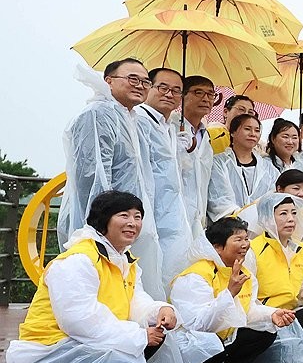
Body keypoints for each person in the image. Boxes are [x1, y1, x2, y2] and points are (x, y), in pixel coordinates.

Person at [9, 191, 189, 363]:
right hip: (50, 350)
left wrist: (160, 311)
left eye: (137, 216)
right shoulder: (78, 260)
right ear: (103, 219)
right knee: (131, 362)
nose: (132, 223)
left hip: (79, 345)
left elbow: (135, 300)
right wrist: (138, 336)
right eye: (123, 215)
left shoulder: (123, 259)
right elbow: (79, 320)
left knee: (157, 341)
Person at [58, 60, 161, 301]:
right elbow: (92, 175)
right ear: (109, 81)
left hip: (127, 218)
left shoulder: (132, 118)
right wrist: (104, 221)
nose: (140, 85)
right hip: (104, 221)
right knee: (97, 287)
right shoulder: (98, 114)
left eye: (145, 82)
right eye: (132, 79)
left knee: (127, 287)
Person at [170, 216, 303, 363]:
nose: (245, 244)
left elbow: (246, 310)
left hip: (223, 337)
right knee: (210, 341)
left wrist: (271, 314)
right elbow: (199, 325)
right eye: (238, 239)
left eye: (246, 239)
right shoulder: (196, 276)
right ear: (217, 247)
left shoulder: (243, 272)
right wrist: (230, 293)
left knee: (266, 330)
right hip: (195, 342)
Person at [243, 193, 303, 363]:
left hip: (290, 312)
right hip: (263, 315)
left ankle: (283, 362)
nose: (291, 219)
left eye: (294, 213)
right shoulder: (252, 249)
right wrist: (270, 312)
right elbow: (247, 297)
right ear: (268, 217)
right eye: (283, 214)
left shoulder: (301, 249)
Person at [134, 66, 190, 296]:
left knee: (170, 266)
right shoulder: (139, 120)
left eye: (176, 90)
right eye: (163, 87)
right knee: (145, 265)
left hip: (170, 210)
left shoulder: (168, 126)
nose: (169, 94)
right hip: (147, 206)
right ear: (149, 87)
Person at [208, 114, 276, 222]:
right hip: (230, 229)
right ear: (233, 132)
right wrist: (241, 218)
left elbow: (274, 196)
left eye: (257, 130)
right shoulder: (219, 163)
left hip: (262, 228)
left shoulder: (268, 167)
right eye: (247, 129)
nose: (253, 134)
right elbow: (219, 201)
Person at [178, 76, 217, 239]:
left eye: (210, 94)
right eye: (198, 92)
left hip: (200, 217)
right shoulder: (173, 128)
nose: (205, 99)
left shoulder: (206, 136)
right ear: (182, 96)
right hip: (177, 214)